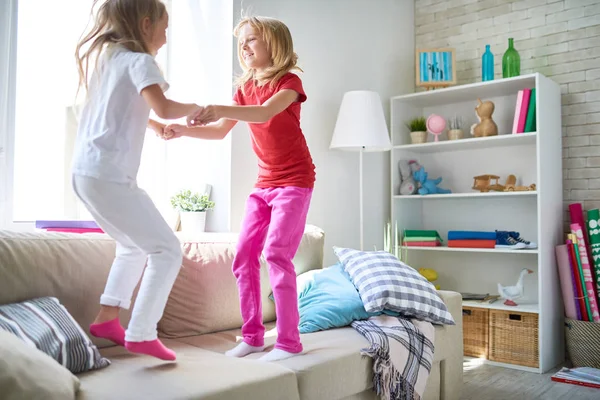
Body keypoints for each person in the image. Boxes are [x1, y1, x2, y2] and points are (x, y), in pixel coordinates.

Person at [164, 16, 315, 362]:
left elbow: (264, 114)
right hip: (264, 185)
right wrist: (182, 131)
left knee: (277, 253)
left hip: (295, 182)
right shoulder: (244, 89)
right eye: (241, 43)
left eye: (252, 40)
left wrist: (216, 107)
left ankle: (290, 342)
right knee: (244, 256)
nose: (244, 48)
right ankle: (252, 337)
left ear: (274, 44)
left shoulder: (289, 83)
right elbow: (219, 131)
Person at [72, 0, 202, 361]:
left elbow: (119, 107)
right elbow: (163, 105)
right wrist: (196, 108)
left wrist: (155, 126)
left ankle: (107, 317)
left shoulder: (109, 58)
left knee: (132, 246)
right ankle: (142, 332)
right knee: (167, 249)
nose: (166, 35)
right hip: (110, 176)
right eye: (164, 26)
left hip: (85, 174)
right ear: (145, 24)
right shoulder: (141, 62)